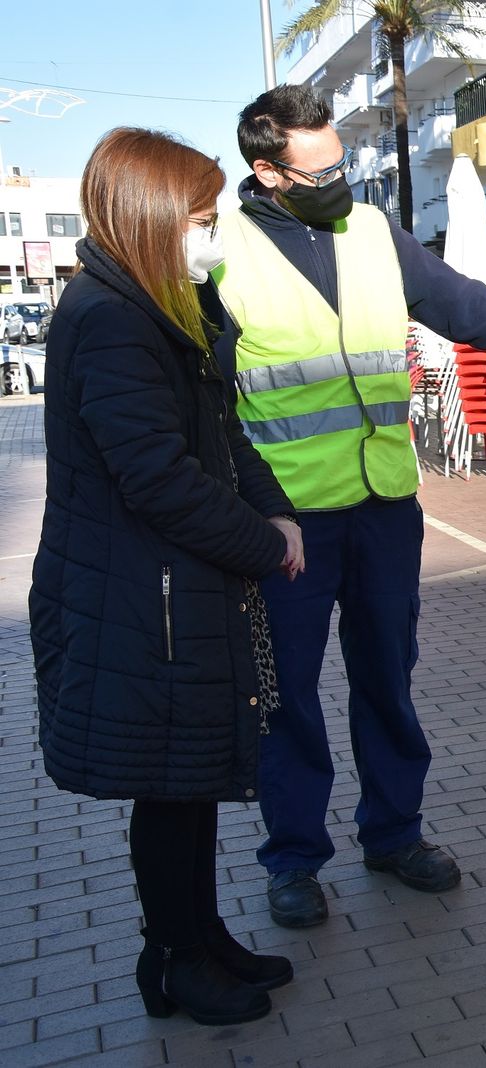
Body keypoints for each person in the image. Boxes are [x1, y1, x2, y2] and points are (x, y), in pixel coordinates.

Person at [217, 85, 486, 929]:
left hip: (383, 506)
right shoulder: (221, 253)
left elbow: (463, 306)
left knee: (387, 680)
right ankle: (294, 862)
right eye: (321, 168)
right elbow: (209, 399)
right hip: (287, 523)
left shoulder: (371, 232)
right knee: (287, 695)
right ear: (267, 171)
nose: (340, 178)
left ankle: (395, 834)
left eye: (342, 160)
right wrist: (246, 508)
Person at [30, 128, 305, 1025]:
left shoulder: (166, 305)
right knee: (170, 785)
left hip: (177, 595)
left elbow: (224, 435)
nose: (212, 235)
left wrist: (276, 509)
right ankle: (173, 961)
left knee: (190, 781)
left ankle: (201, 938)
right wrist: (265, 547)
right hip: (142, 601)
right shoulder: (108, 318)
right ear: (151, 219)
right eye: (200, 218)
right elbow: (157, 478)